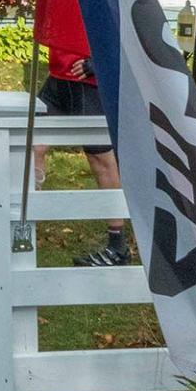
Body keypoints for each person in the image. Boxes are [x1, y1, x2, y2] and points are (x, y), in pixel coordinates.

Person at [33, 23, 130, 267]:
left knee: (101, 160)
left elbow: (124, 20)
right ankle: (24, 225)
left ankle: (118, 247)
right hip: (58, 78)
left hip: (86, 80)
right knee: (33, 146)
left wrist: (99, 62)